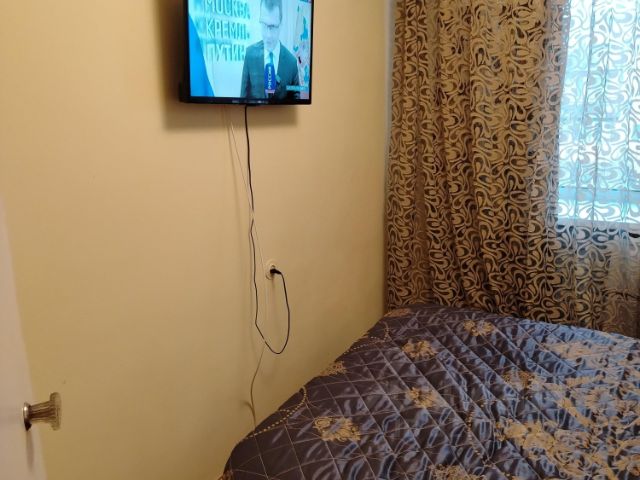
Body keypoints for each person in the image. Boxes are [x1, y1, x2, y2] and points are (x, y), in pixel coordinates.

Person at [240, 0, 299, 100]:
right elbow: (243, 98)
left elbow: (296, 100)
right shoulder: (249, 54)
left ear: (281, 24)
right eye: (264, 25)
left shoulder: (292, 63)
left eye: (273, 27)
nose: (268, 35)